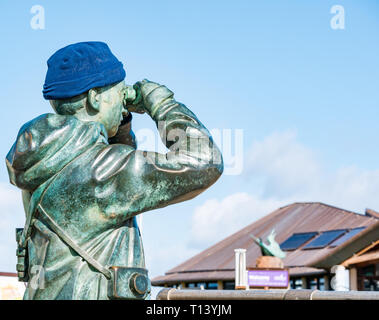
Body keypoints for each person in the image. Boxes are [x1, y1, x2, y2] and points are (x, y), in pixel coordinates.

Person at [6, 42, 223, 300]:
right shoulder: (101, 170)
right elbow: (205, 162)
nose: (124, 104)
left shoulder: (44, 163)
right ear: (94, 98)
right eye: (120, 94)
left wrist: (120, 127)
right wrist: (161, 103)